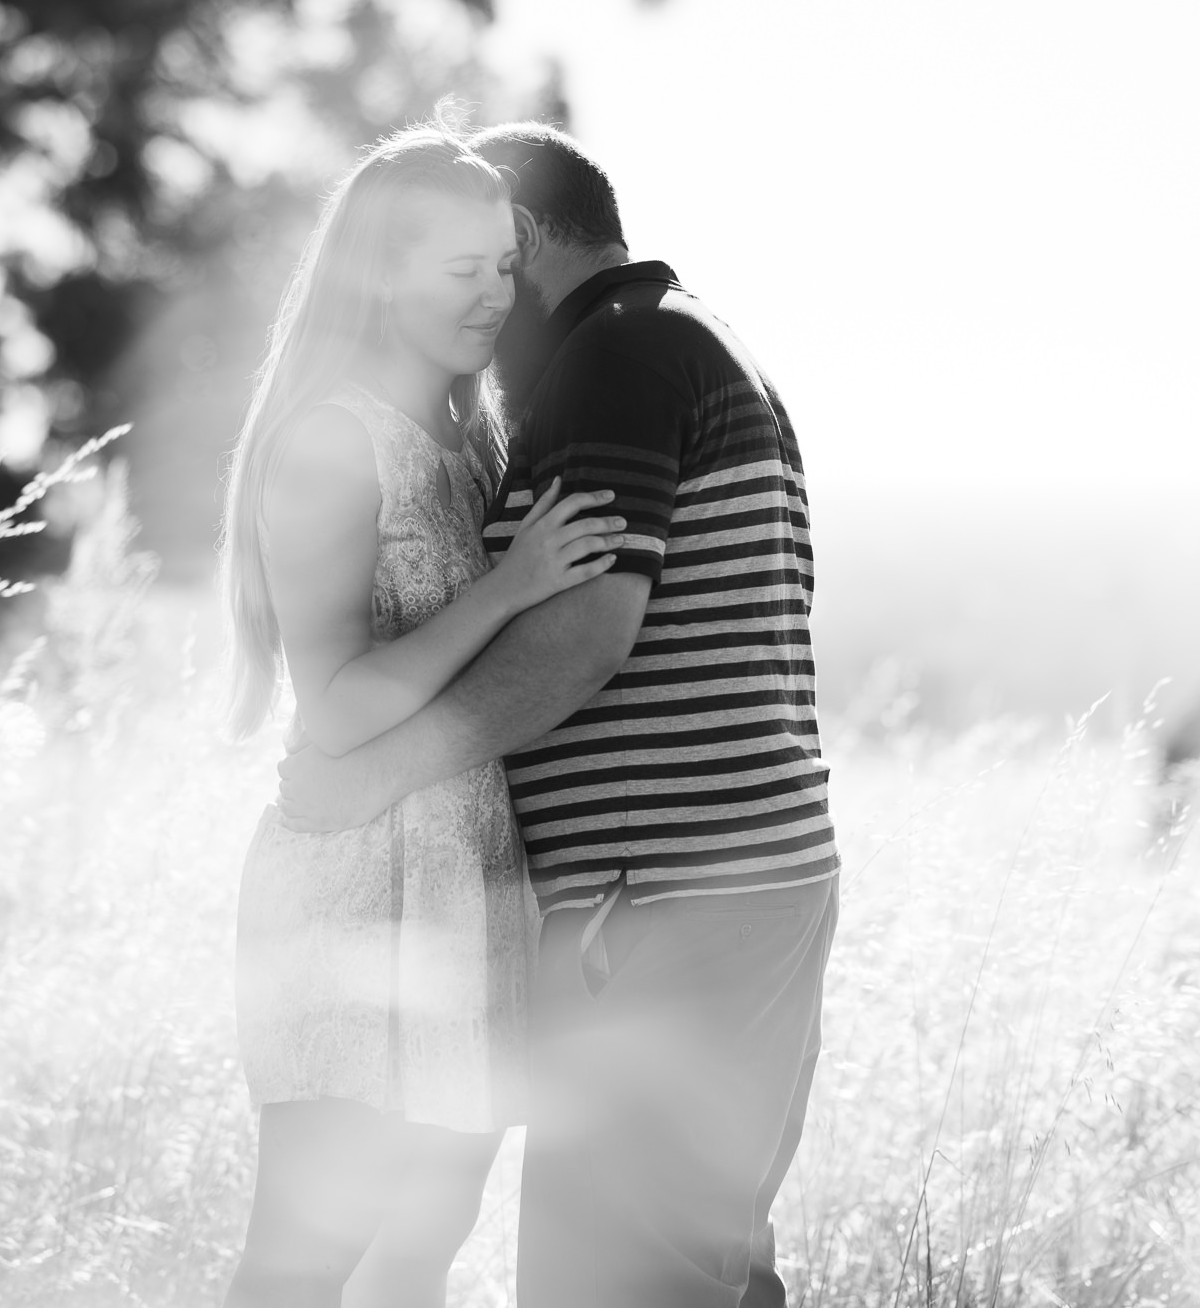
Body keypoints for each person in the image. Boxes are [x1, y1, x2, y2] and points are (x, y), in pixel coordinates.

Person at [278, 122, 840, 1308]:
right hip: (750, 877)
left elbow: (585, 634)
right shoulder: (691, 336)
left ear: (518, 237)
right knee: (703, 1261)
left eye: (487, 264)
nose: (484, 310)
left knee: (616, 1277)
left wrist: (374, 776)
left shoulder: (614, 359)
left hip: (665, 893)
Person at [219, 124, 627, 1306]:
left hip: (470, 883)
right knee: (304, 1259)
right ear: (376, 275)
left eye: (504, 265)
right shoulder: (330, 442)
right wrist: (511, 587)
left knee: (423, 1246)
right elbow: (338, 705)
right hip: (350, 888)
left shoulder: (468, 441)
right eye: (462, 271)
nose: (496, 296)